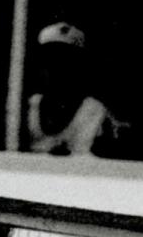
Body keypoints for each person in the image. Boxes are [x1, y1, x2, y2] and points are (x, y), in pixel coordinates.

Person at [25, 21, 125, 157]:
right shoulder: (27, 108)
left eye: (66, 59)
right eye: (51, 58)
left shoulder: (97, 113)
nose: (57, 66)